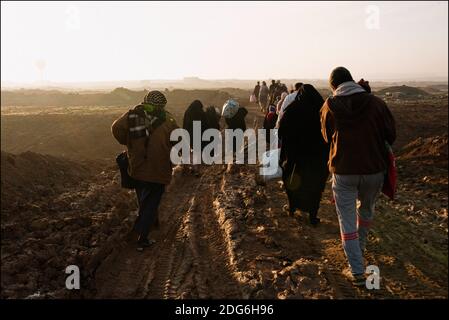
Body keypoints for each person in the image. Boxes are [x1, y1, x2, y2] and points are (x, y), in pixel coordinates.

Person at [320, 66, 396, 286]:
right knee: (366, 210)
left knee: (347, 220)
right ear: (352, 80)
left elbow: (325, 137)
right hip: (374, 169)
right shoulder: (376, 103)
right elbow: (390, 134)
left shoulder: (329, 106)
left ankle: (356, 270)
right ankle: (360, 248)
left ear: (334, 86)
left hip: (343, 171)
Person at [111, 90, 178, 251]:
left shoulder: (133, 114)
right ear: (162, 105)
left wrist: (129, 143)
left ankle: (147, 224)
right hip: (159, 168)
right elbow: (178, 139)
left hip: (137, 166)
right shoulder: (167, 119)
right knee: (151, 203)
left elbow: (116, 128)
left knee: (143, 200)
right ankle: (142, 237)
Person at [278, 84, 329, 226]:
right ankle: (313, 215)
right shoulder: (322, 111)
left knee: (292, 180)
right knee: (315, 185)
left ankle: (293, 207)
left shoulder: (292, 109)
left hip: (295, 156)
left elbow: (281, 131)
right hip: (316, 157)